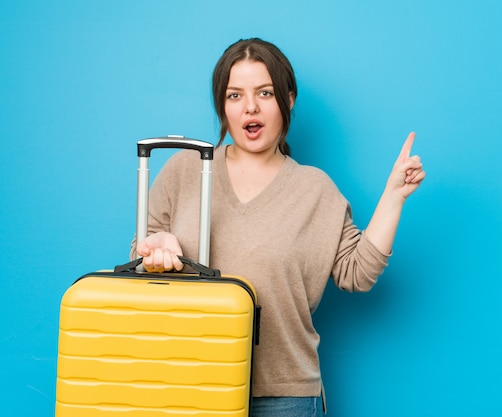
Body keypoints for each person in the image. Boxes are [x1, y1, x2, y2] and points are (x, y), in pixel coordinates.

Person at [131, 38, 425, 417]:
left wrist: (394, 196)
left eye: (264, 93)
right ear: (223, 105)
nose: (249, 106)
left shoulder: (315, 189)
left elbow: (358, 273)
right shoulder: (185, 170)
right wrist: (156, 249)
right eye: (235, 95)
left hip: (283, 397)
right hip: (187, 383)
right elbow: (140, 256)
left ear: (288, 100)